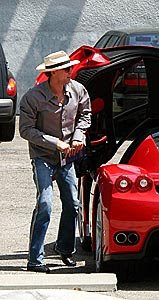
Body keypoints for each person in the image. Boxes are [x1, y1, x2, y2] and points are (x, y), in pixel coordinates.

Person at [19, 50, 91, 273]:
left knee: (73, 203)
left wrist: (79, 136)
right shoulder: (33, 97)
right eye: (67, 68)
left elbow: (85, 115)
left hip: (67, 158)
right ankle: (35, 260)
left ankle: (65, 249)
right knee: (45, 204)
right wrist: (54, 142)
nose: (71, 71)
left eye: (70, 67)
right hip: (43, 157)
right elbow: (25, 130)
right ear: (53, 72)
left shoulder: (78, 90)